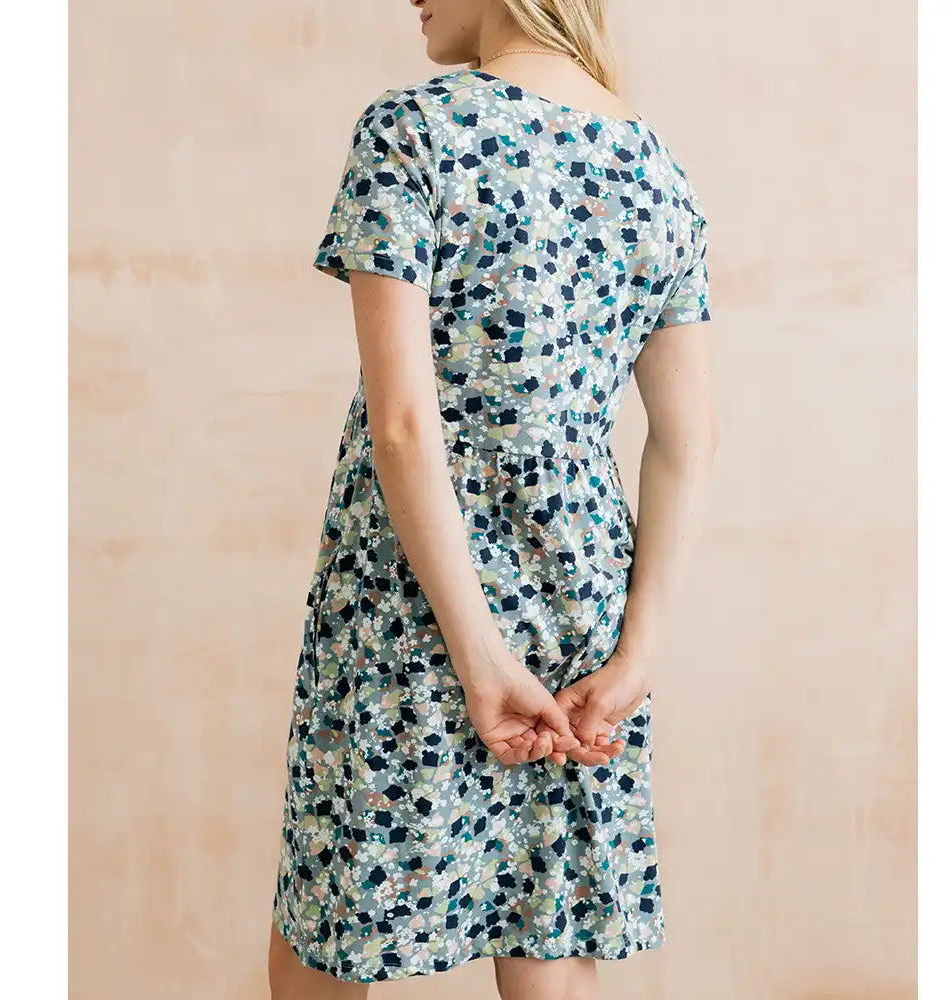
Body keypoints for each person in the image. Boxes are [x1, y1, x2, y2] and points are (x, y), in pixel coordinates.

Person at [267, 0, 718, 996]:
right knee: (547, 926)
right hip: (582, 604)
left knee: (333, 919)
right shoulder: (655, 167)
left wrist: (476, 654)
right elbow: (689, 438)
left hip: (408, 596)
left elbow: (404, 425)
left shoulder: (413, 129)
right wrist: (637, 651)